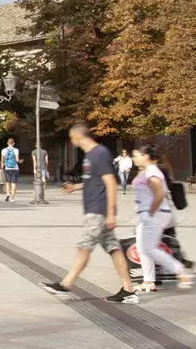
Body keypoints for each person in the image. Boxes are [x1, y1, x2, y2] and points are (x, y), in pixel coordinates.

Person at [44, 125, 138, 302]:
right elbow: (94, 180)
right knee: (114, 249)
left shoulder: (99, 153)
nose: (72, 141)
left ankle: (66, 284)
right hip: (95, 209)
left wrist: (111, 213)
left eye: (72, 138)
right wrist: (76, 186)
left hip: (98, 210)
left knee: (83, 247)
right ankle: (129, 291)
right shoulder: (90, 155)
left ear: (79, 136)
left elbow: (110, 182)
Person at [129, 144, 191, 291]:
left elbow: (159, 193)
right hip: (150, 214)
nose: (134, 158)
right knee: (143, 249)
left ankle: (180, 270)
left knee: (148, 248)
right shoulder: (147, 170)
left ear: (146, 156)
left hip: (154, 214)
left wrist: (150, 212)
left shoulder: (152, 171)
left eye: (136, 155)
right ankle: (149, 282)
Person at [0, 138, 20, 203]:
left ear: (7, 143)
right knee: (13, 184)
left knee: (7, 182)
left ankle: (8, 193)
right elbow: (17, 160)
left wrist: (2, 168)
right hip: (15, 168)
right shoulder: (16, 150)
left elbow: (2, 160)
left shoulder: (3, 150)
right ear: (13, 143)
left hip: (7, 168)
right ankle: (12, 198)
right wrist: (21, 161)